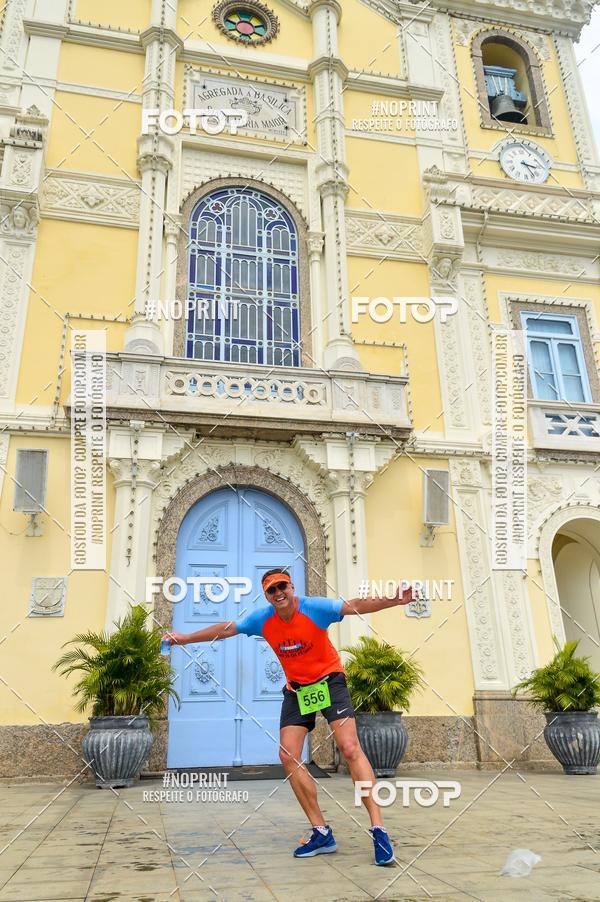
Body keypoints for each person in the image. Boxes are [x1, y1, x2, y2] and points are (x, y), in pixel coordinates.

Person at [163, 570, 414, 865]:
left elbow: (354, 605)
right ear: (267, 596)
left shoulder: (314, 608)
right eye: (271, 590)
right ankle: (321, 831)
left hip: (330, 681)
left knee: (349, 748)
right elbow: (227, 629)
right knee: (288, 755)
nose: (278, 592)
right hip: (297, 690)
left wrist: (394, 600)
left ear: (291, 587)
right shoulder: (262, 620)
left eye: (282, 586)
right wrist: (185, 639)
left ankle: (378, 828)